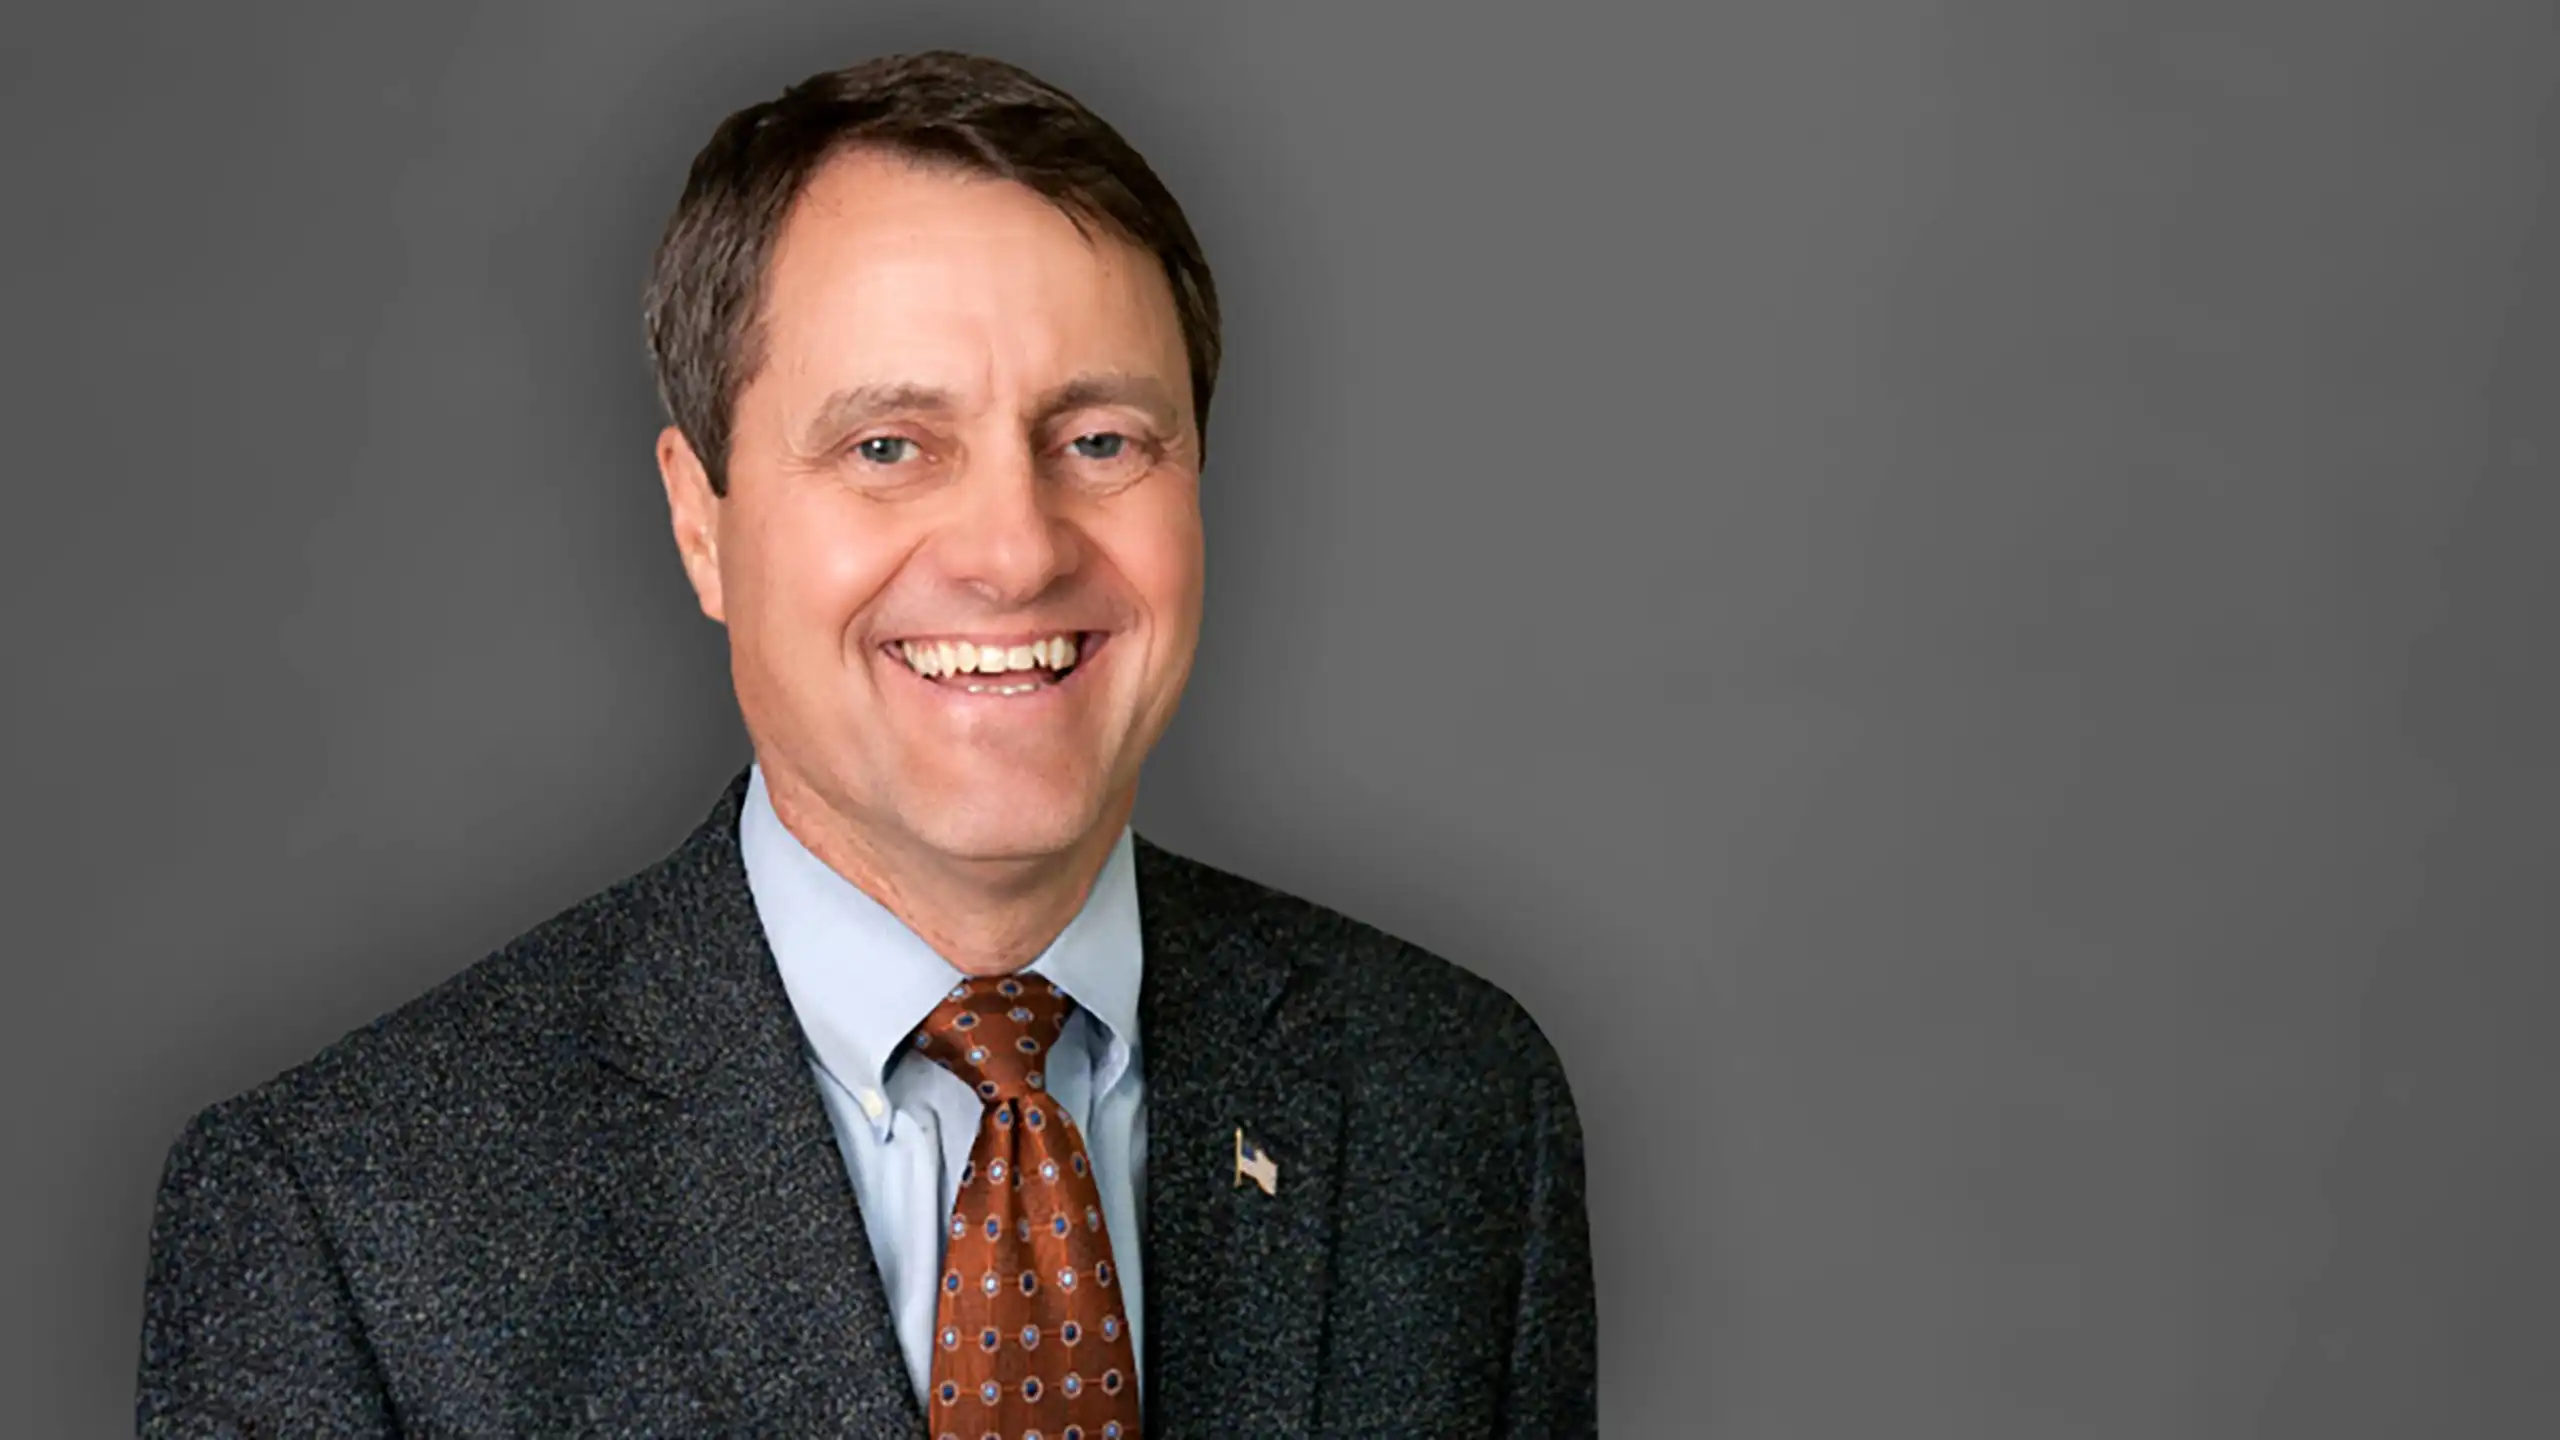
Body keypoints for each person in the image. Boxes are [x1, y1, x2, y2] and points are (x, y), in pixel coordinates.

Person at [137, 50, 1596, 1437]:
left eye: (1100, 440)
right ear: (700, 520)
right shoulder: (351, 1214)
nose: (1015, 552)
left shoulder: (1451, 1100)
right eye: (888, 447)